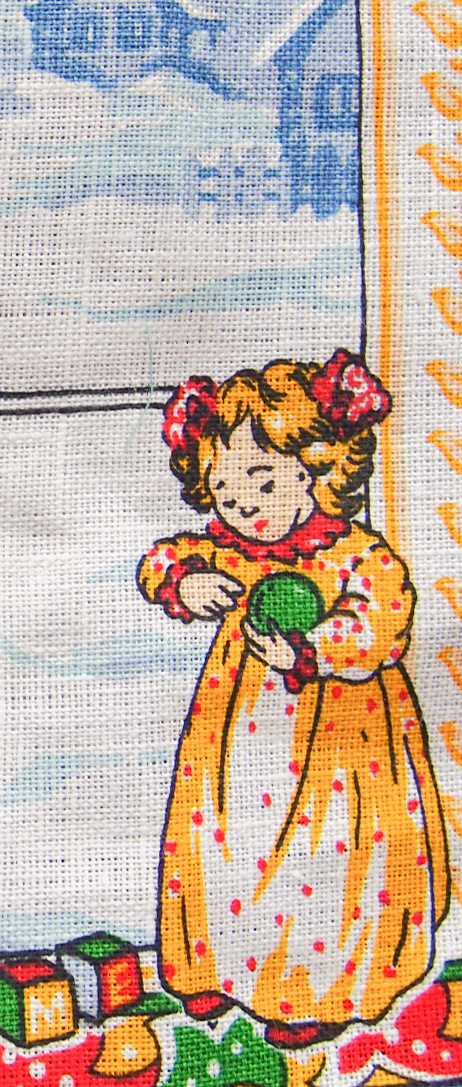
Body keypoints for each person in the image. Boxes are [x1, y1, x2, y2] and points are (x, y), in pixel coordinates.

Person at [137, 353, 449, 1048]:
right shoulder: (233, 551)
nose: (243, 503)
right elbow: (162, 560)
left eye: (263, 479)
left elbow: (383, 620)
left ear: (318, 470)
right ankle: (214, 966)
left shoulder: (352, 554)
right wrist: (186, 583)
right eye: (224, 488)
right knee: (226, 838)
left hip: (342, 734)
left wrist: (310, 650)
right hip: (235, 730)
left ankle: (316, 987)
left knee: (327, 848)